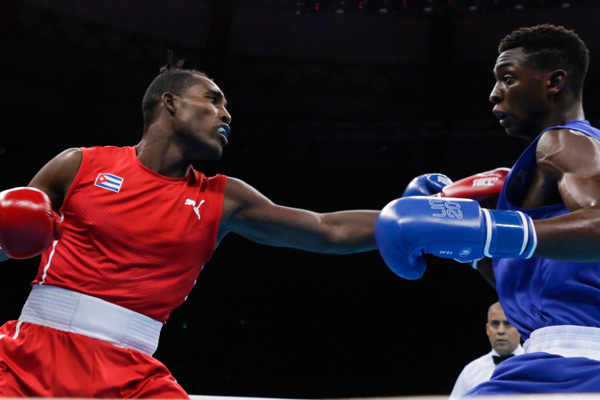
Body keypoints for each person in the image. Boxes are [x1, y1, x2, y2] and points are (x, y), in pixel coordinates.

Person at [0, 65, 386, 398]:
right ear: (171, 103)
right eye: (213, 100)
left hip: (131, 375)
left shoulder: (224, 197)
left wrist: (410, 216)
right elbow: (7, 239)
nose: (226, 116)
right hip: (30, 356)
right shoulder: (80, 165)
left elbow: (327, 229)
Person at [376, 24, 600, 394]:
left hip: (573, 363)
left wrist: (486, 229)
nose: (495, 94)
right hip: (558, 356)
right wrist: (474, 251)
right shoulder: (551, 171)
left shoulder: (564, 143)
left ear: (554, 81)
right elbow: (536, 291)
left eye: (508, 78)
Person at [449, 302, 523, 399]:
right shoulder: (470, 371)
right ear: (487, 329)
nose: (501, 331)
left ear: (520, 328)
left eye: (508, 323)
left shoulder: (535, 365)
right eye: (495, 324)